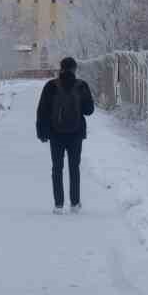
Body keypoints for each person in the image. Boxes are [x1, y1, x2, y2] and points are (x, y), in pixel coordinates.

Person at [36, 56, 95, 213]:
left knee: (57, 168)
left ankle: (58, 205)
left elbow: (42, 111)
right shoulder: (81, 85)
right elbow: (89, 111)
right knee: (74, 167)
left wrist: (42, 132)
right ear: (75, 69)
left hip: (56, 134)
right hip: (76, 134)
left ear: (60, 68)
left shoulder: (51, 86)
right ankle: (75, 203)